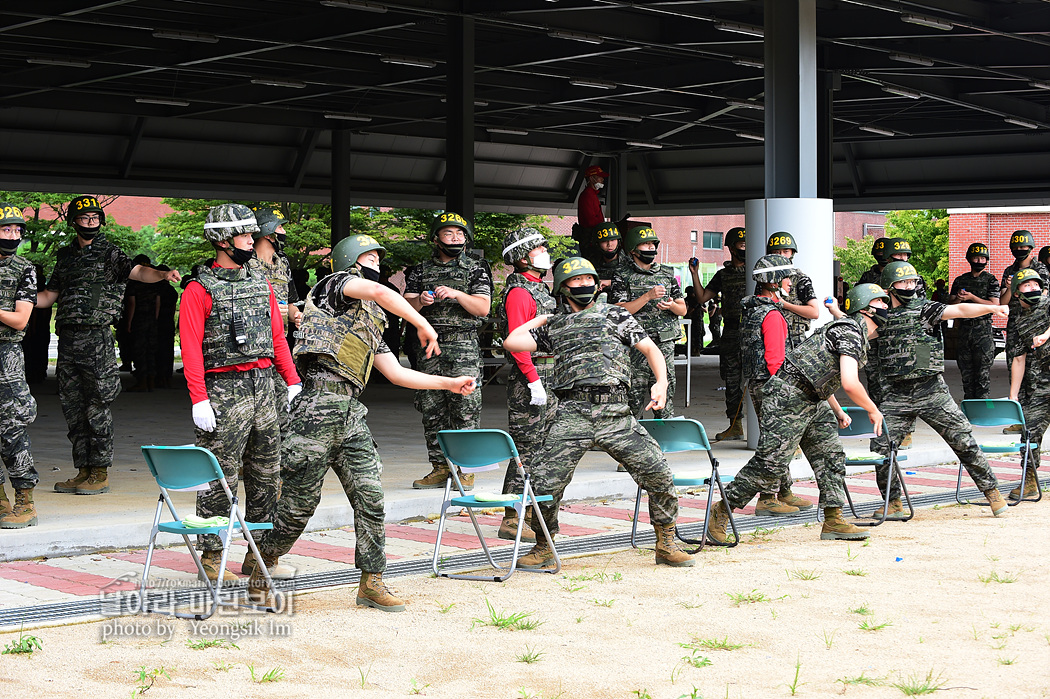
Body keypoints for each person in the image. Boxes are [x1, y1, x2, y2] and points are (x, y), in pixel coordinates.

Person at [249, 235, 475, 611]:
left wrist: (449, 383)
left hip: (351, 413)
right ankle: (262, 562)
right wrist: (423, 323)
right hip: (316, 409)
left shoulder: (369, 319)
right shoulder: (333, 285)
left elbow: (397, 373)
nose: (376, 263)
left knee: (370, 497)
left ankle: (372, 581)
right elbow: (376, 290)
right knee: (297, 506)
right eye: (369, 256)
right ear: (351, 261)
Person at [504, 257, 694, 569]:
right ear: (562, 288)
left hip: (616, 413)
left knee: (658, 471)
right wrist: (539, 321)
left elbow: (651, 350)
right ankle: (544, 544)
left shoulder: (616, 315)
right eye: (575, 281)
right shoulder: (556, 323)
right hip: (572, 413)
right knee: (543, 485)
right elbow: (512, 341)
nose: (584, 285)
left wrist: (660, 382)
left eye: (587, 279)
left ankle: (666, 541)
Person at [707, 284, 890, 544]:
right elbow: (849, 382)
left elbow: (820, 374)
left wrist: (836, 409)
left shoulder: (849, 329)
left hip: (812, 398)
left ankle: (834, 519)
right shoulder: (850, 331)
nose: (888, 307)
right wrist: (873, 410)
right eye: (882, 302)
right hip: (788, 398)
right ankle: (720, 511)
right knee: (770, 465)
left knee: (830, 457)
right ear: (867, 308)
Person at [178, 203, 301, 582]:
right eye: (245, 235)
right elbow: (191, 347)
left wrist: (292, 379)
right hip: (223, 389)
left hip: (265, 386)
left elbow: (276, 337)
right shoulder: (199, 289)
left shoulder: (259, 281)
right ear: (223, 240)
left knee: (267, 472)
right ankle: (211, 560)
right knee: (219, 475)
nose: (252, 241)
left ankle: (259, 557)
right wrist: (199, 397)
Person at [35, 195, 181, 496]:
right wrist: (17, 298)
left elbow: (138, 272)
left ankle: (99, 471)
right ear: (73, 221)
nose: (91, 223)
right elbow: (49, 296)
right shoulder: (65, 257)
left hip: (97, 338)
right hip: (69, 340)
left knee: (97, 406)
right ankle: (83, 470)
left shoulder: (109, 253)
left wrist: (162, 274)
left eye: (95, 218)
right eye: (85, 219)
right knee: (73, 407)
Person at [871, 261, 1008, 519]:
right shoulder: (880, 315)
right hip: (896, 393)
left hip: (932, 391)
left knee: (963, 442)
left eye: (912, 282)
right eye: (903, 283)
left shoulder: (926, 309)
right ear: (890, 287)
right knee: (882, 448)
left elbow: (961, 310)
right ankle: (893, 502)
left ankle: (992, 493)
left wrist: (993, 308)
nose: (909, 287)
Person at [404, 213, 493, 490]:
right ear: (436, 238)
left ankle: (464, 469)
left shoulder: (475, 268)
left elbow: (483, 308)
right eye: (448, 234)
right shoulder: (420, 270)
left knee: (465, 408)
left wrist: (457, 294)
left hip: (463, 345)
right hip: (429, 347)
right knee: (431, 408)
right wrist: (420, 299)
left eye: (460, 234)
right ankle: (440, 467)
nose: (455, 238)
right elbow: (405, 305)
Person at [493, 228, 557, 542]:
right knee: (526, 448)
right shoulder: (520, 292)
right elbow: (518, 342)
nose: (546, 252)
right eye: (540, 248)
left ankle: (531, 511)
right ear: (523, 258)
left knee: (544, 447)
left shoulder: (540, 287)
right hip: (529, 378)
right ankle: (510, 515)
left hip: (549, 374)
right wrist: (533, 382)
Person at [740, 254, 814, 516]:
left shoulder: (751, 308)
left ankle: (784, 491)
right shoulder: (772, 314)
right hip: (773, 385)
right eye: (785, 279)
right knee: (776, 442)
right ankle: (768, 497)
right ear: (772, 282)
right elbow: (775, 360)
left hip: (757, 383)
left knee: (779, 439)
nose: (790, 284)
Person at [610, 225, 686, 419]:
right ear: (633, 250)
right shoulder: (622, 274)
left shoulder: (667, 274)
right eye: (645, 244)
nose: (651, 248)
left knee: (665, 394)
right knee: (634, 393)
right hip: (636, 344)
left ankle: (665, 437)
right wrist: (647, 297)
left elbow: (682, 309)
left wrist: (671, 306)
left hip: (664, 343)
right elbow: (619, 310)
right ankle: (633, 438)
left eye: (653, 244)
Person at [0, 204, 40, 528]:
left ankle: (25, 498)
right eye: (6, 230)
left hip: (7, 356)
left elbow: (20, 319)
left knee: (12, 428)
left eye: (17, 230)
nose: (12, 236)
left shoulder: (24, 268)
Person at [248, 206, 301, 437]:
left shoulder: (283, 262)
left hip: (279, 344)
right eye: (280, 227)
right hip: (253, 345)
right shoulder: (246, 264)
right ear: (268, 232)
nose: (283, 232)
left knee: (282, 405)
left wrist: (296, 315)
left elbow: (289, 301)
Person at [690, 227, 747, 440]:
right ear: (731, 248)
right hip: (731, 331)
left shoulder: (756, 271)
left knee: (761, 381)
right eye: (742, 246)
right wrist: (694, 275)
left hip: (754, 332)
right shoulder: (723, 275)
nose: (745, 250)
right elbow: (703, 297)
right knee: (731, 381)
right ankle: (735, 425)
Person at [999, 230, 1050, 434]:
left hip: (1041, 322)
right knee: (1022, 366)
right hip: (1018, 324)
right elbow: (1003, 302)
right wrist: (1011, 288)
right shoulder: (1009, 271)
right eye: (1017, 247)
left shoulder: (1041, 270)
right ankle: (1025, 417)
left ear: (1031, 248)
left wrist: (1046, 334)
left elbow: (1041, 298)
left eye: (1024, 247)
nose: (1020, 251)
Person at [1005, 268, 1049, 500]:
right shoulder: (1019, 320)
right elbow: (1018, 359)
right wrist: (1013, 396)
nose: (1034, 289)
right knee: (1030, 432)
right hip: (1042, 382)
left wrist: (1046, 335)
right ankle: (1030, 479)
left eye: (1036, 285)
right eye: (1027, 286)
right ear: (1017, 293)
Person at [949, 243, 999, 400]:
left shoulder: (991, 280)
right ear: (969, 259)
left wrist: (972, 298)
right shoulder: (960, 280)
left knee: (982, 374)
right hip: (964, 329)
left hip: (983, 330)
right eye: (976, 258)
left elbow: (994, 305)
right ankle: (969, 406)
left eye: (983, 258)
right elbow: (950, 306)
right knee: (966, 374)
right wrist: (959, 298)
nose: (979, 261)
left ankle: (982, 408)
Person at [765, 232, 820, 348]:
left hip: (796, 341)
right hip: (771, 337)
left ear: (792, 254)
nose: (781, 256)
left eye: (786, 252)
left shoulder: (800, 279)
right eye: (776, 252)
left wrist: (785, 305)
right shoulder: (766, 279)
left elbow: (814, 312)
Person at [125, 257, 160, 392]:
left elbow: (131, 303)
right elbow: (158, 302)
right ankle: (151, 380)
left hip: (139, 320)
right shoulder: (154, 282)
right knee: (151, 350)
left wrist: (128, 322)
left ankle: (142, 381)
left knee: (139, 351)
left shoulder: (134, 283)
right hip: (151, 320)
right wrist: (155, 319)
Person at [153, 265, 179, 389]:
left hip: (160, 322)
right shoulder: (172, 291)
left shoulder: (157, 290)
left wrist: (155, 321)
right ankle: (168, 377)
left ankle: (160, 378)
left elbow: (157, 308)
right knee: (168, 350)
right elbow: (173, 308)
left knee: (158, 350)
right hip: (169, 322)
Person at [577, 165, 608, 229]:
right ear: (591, 178)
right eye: (600, 177)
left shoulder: (592, 194)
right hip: (592, 235)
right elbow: (590, 221)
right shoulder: (587, 195)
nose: (602, 179)